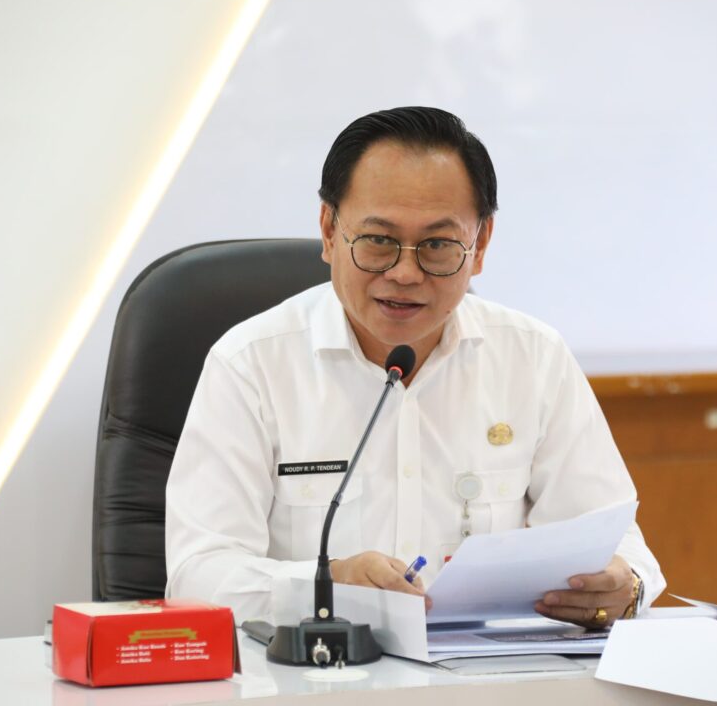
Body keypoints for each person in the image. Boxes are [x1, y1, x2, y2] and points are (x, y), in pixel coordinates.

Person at [165, 106, 665, 628]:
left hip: (489, 668)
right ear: (330, 231)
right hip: (319, 666)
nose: (405, 273)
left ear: (480, 245)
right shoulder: (251, 365)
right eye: (379, 241)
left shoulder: (533, 358)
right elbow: (198, 575)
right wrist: (327, 585)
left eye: (437, 245)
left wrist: (623, 587)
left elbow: (618, 544)